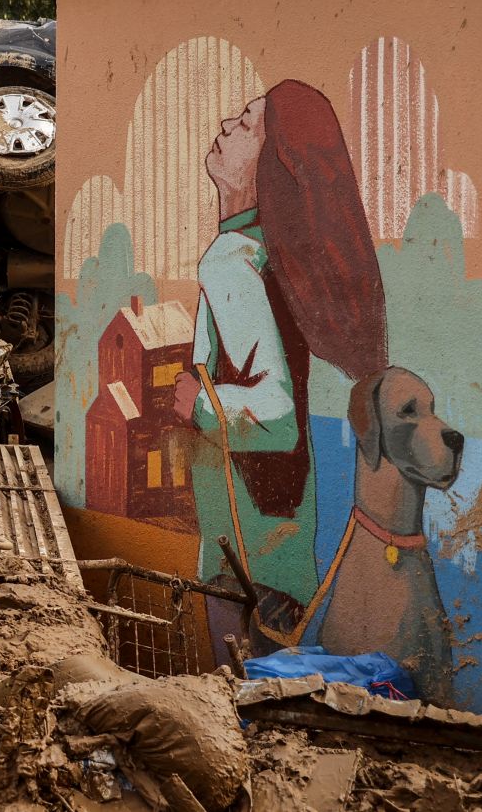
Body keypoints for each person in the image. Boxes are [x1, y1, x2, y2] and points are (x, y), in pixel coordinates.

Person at [173, 80, 386, 641]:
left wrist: (198, 403)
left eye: (244, 125)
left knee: (244, 700)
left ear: (268, 165)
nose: (224, 126)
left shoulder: (233, 260)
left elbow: (275, 413)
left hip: (246, 547)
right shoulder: (265, 253)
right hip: (275, 536)